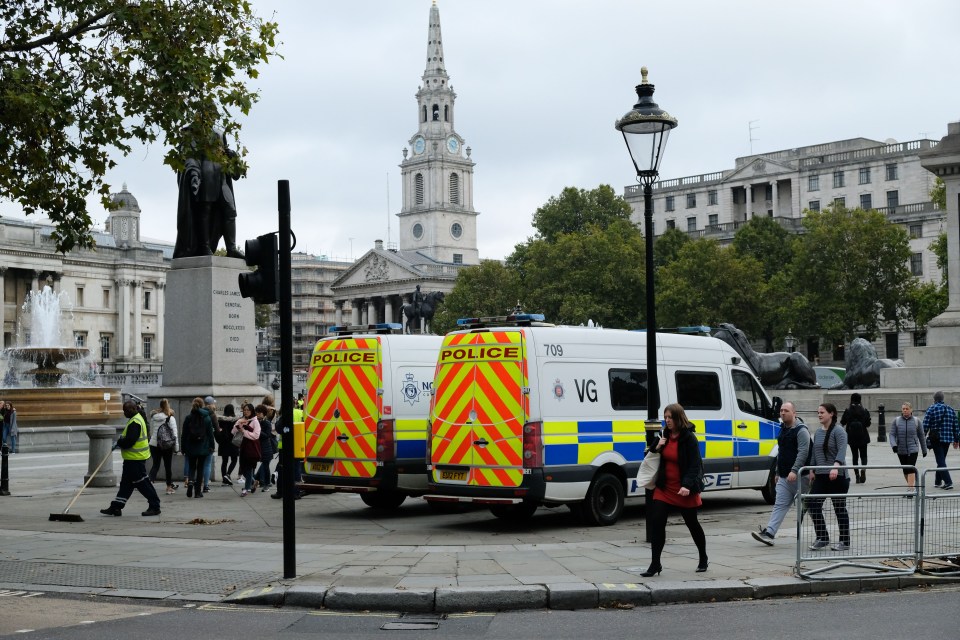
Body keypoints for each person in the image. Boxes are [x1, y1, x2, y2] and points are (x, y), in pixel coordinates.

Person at [641, 403, 708, 576]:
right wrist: (657, 447)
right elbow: (648, 456)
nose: (667, 420)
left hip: (684, 489)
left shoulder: (689, 439)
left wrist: (686, 485)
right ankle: (655, 564)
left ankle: (703, 558)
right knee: (657, 522)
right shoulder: (664, 435)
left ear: (679, 418)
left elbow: (694, 465)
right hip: (664, 488)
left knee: (692, 524)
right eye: (665, 417)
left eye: (670, 417)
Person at [173, 127, 244, 258]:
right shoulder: (191, 132)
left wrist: (232, 156)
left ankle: (231, 248)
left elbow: (227, 156)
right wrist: (194, 173)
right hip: (205, 175)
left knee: (230, 211)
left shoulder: (220, 133)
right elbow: (189, 157)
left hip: (222, 178)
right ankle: (204, 246)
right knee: (205, 210)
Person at [751, 401, 811, 546]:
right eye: (781, 410)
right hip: (785, 476)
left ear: (794, 413)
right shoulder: (782, 429)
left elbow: (803, 452)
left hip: (801, 477)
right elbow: (781, 452)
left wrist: (794, 470)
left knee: (809, 507)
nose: (782, 413)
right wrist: (778, 472)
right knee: (780, 504)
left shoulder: (801, 430)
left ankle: (823, 535)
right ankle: (769, 533)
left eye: (786, 410)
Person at [101, 400, 162, 516]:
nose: (125, 413)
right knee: (126, 484)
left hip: (136, 459)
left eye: (127, 410)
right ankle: (116, 506)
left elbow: (130, 441)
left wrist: (120, 441)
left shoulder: (135, 422)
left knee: (142, 483)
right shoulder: (136, 419)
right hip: (133, 458)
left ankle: (155, 505)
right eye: (124, 411)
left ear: (133, 409)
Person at [806, 402, 850, 551]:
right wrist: (812, 469)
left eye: (822, 412)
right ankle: (822, 537)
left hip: (837, 476)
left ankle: (845, 541)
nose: (819, 415)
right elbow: (815, 452)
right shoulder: (818, 432)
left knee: (839, 508)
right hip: (821, 476)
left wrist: (836, 466)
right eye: (818, 412)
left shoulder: (839, 431)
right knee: (812, 503)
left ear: (831, 414)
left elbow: (842, 450)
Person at [922, 391, 959, 490]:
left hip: (936, 439)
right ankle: (937, 481)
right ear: (943, 399)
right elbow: (956, 426)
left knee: (940, 460)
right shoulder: (950, 409)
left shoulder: (931, 408)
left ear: (934, 399)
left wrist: (923, 437)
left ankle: (948, 482)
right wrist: (956, 440)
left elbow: (925, 425)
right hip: (947, 439)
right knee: (941, 459)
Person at [182, 397, 215, 498]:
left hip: (191, 446)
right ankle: (197, 492)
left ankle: (190, 482)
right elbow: (210, 434)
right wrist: (212, 446)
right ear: (202, 405)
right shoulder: (207, 417)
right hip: (203, 447)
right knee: (200, 468)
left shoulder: (188, 417)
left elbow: (184, 434)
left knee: (192, 467)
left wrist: (183, 447)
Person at [889, 402, 927, 490]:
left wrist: (924, 450)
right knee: (905, 470)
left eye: (907, 409)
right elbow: (892, 434)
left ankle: (910, 490)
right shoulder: (897, 421)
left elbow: (921, 436)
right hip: (901, 449)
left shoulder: (917, 421)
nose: (905, 410)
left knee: (910, 468)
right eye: (903, 409)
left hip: (913, 449)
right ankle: (911, 486)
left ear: (911, 410)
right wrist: (894, 445)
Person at [148, 399, 180, 494]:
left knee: (155, 465)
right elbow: (174, 434)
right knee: (167, 466)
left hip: (154, 444)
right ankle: (169, 487)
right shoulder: (170, 418)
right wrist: (176, 447)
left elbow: (151, 431)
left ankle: (149, 482)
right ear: (168, 406)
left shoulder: (154, 417)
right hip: (167, 445)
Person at [840, 393, 871, 483]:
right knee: (864, 455)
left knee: (855, 456)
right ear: (860, 400)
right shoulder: (864, 410)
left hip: (851, 437)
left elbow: (842, 422)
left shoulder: (848, 411)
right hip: (863, 436)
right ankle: (863, 470)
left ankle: (857, 476)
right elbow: (868, 424)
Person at [232, 403, 261, 497]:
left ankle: (246, 489)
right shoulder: (241, 420)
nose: (246, 411)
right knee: (243, 469)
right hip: (243, 447)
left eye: (248, 410)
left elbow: (256, 435)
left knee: (248, 469)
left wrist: (244, 431)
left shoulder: (255, 421)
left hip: (251, 447)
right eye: (244, 410)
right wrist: (238, 424)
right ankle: (253, 481)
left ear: (252, 411)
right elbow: (233, 432)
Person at [255, 404, 276, 491]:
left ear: (264, 414)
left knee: (266, 466)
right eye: (257, 413)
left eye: (259, 413)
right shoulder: (255, 422)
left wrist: (257, 431)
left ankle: (267, 484)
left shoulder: (266, 423)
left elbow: (267, 435)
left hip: (266, 447)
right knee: (259, 465)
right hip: (257, 447)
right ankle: (255, 481)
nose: (258, 415)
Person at [218, 403, 240, 485]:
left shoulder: (221, 420)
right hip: (233, 442)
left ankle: (224, 478)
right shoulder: (235, 420)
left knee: (224, 461)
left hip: (224, 443)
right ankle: (228, 474)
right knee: (234, 460)